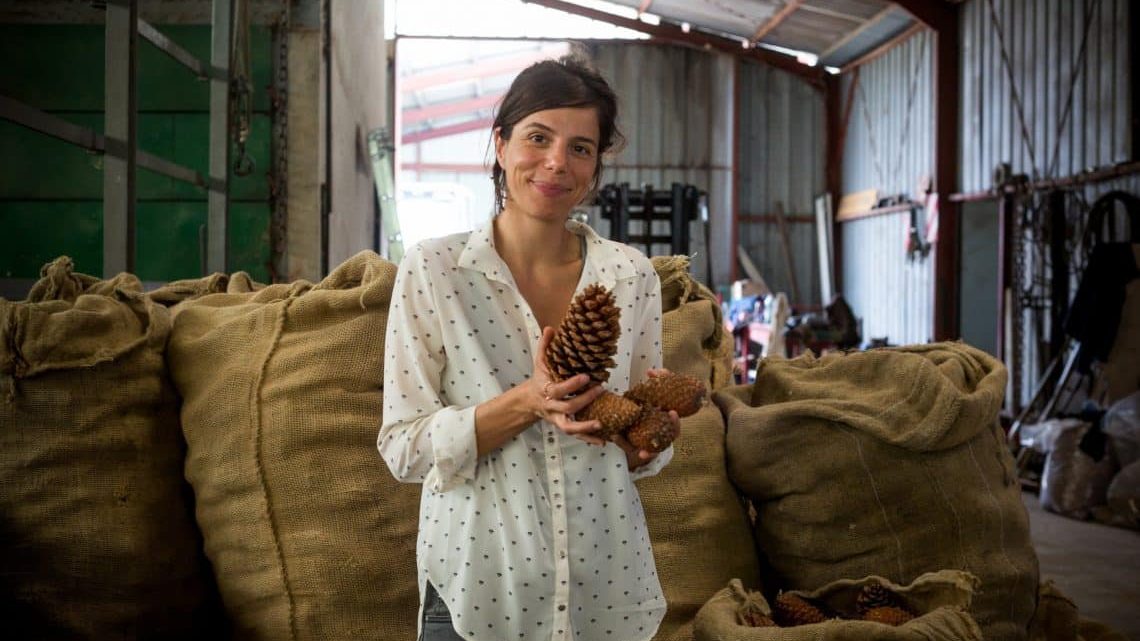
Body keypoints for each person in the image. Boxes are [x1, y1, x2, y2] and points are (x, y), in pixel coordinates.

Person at [378, 54, 678, 641]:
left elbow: (640, 439)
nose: (556, 162)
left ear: (596, 166)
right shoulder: (436, 270)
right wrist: (527, 402)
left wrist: (650, 441)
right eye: (537, 137)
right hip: (477, 592)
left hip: (606, 592)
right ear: (500, 143)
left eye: (581, 148)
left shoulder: (630, 275)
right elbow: (402, 447)